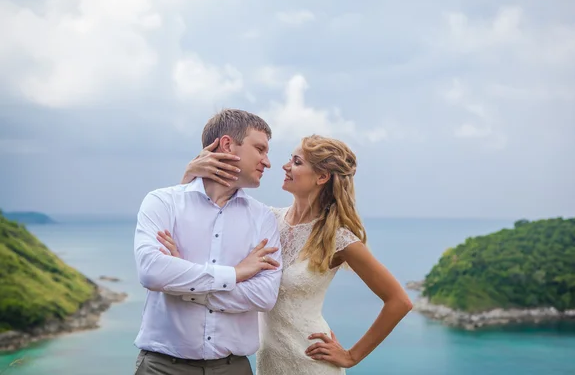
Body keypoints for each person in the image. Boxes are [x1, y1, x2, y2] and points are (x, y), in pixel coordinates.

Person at [159, 134, 413, 374]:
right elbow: (208, 219)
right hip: (268, 361)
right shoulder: (267, 219)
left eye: (296, 161)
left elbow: (399, 301)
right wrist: (190, 175)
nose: (284, 166)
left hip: (312, 363)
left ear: (322, 176)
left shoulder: (339, 238)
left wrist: (351, 356)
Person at [132, 109, 283, 375]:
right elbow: (152, 271)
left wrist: (182, 284)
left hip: (233, 368)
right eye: (260, 149)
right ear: (227, 144)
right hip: (162, 368)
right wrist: (235, 274)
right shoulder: (162, 202)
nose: (267, 162)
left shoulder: (264, 218)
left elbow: (264, 295)